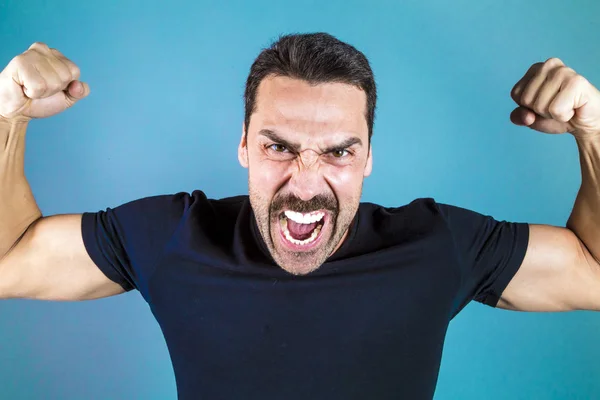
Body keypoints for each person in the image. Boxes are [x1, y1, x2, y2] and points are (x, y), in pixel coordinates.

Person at [0, 32, 599, 400]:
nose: (305, 185)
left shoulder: (436, 244)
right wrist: (7, 118)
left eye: (339, 151)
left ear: (368, 157)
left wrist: (595, 130)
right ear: (242, 145)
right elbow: (10, 262)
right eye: (278, 146)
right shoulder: (173, 237)